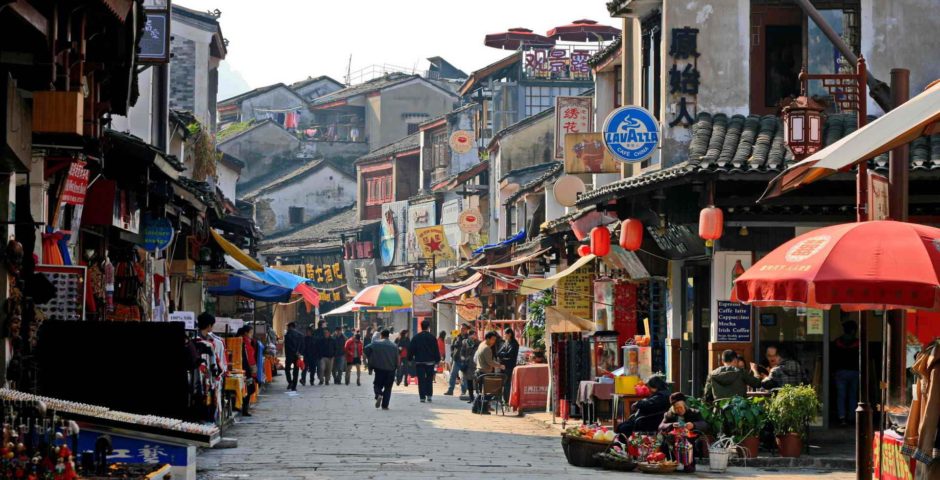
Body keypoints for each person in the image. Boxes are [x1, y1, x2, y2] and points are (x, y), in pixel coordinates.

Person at [658, 392, 709, 473]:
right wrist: (671, 425)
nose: (679, 410)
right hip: (674, 438)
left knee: (687, 440)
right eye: (676, 408)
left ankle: (688, 464)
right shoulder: (669, 414)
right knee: (667, 439)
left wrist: (693, 425)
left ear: (685, 405)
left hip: (689, 438)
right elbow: (661, 426)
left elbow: (704, 425)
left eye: (680, 407)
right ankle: (671, 463)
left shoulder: (694, 413)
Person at [833, 320, 860, 426]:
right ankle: (852, 418)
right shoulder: (858, 343)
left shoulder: (837, 342)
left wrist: (833, 372)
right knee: (853, 395)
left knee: (841, 396)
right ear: (853, 330)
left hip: (840, 372)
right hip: (854, 372)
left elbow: (833, 359)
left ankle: (842, 417)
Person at [364, 329, 400, 410]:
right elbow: (398, 359)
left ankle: (378, 394)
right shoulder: (394, 346)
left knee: (377, 384)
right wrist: (398, 369)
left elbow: (366, 350)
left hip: (379, 369)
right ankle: (385, 405)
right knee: (388, 387)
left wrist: (369, 362)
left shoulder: (376, 343)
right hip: (391, 370)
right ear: (388, 336)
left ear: (381, 335)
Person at [408, 319, 442, 403]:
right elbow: (436, 350)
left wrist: (409, 358)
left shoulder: (416, 337)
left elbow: (411, 349)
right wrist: (437, 360)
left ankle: (422, 397)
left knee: (421, 379)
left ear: (421, 327)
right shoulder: (432, 338)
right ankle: (429, 396)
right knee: (429, 379)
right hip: (430, 362)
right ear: (428, 327)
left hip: (419, 362)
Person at [471, 331, 505, 414]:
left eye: (495, 340)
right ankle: (482, 409)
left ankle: (476, 408)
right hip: (484, 372)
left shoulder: (482, 344)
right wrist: (500, 365)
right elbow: (490, 362)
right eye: (492, 339)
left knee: (481, 392)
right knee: (488, 392)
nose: (494, 341)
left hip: (480, 371)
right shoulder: (487, 348)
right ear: (487, 339)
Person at [445, 324, 470, 396]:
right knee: (453, 375)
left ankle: (463, 392)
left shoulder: (469, 338)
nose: (462, 329)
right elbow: (452, 347)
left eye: (464, 328)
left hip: (465, 361)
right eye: (461, 328)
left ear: (466, 330)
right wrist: (453, 354)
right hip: (456, 360)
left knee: (463, 377)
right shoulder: (457, 337)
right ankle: (450, 390)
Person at [496, 328, 520, 403]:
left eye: (505, 334)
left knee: (507, 384)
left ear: (509, 334)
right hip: (503, 365)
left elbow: (510, 354)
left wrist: (503, 354)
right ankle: (503, 399)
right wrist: (503, 354)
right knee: (502, 383)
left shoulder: (514, 343)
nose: (504, 335)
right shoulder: (506, 342)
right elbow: (498, 353)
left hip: (510, 366)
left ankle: (507, 400)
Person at [237, 326, 257, 416]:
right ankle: (244, 409)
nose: (251, 334)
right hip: (246, 368)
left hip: (249, 367)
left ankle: (245, 408)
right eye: (250, 332)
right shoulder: (243, 342)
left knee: (249, 388)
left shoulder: (249, 342)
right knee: (249, 388)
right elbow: (246, 357)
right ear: (245, 333)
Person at [283, 322, 303, 391]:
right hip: (297, 355)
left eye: (288, 327)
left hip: (289, 355)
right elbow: (302, 345)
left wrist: (295, 352)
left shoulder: (287, 335)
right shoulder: (300, 335)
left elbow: (288, 346)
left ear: (291, 327)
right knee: (296, 371)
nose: (287, 328)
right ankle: (294, 386)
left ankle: (290, 382)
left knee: (287, 369)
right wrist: (299, 352)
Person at [460, 330, 479, 401]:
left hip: (476, 364)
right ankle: (471, 398)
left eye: (475, 335)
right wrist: (463, 358)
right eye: (474, 334)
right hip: (468, 365)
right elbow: (462, 352)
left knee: (477, 381)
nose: (475, 336)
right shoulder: (465, 342)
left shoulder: (478, 342)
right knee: (469, 381)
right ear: (470, 335)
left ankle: (477, 398)